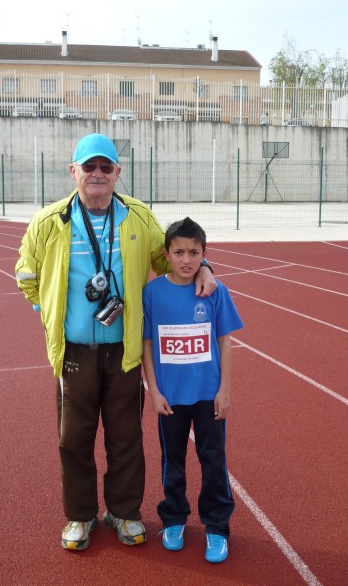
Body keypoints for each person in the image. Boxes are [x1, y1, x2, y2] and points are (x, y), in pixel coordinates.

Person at [15, 133, 217, 551]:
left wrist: (205, 268)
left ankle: (124, 513)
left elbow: (169, 259)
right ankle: (80, 516)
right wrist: (45, 308)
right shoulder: (48, 222)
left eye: (105, 166)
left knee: (125, 437)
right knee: (74, 439)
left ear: (117, 173)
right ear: (73, 171)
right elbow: (26, 274)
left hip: (124, 351)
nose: (97, 174)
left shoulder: (138, 218)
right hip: (73, 351)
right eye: (88, 166)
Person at [142, 217, 243, 563]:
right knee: (172, 459)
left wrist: (224, 390)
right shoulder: (152, 292)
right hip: (170, 397)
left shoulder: (215, 291)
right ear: (166, 255)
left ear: (204, 254)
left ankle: (217, 526)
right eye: (179, 252)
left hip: (208, 395)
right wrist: (153, 391)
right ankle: (174, 518)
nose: (186, 260)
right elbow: (147, 344)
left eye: (194, 253)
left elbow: (224, 342)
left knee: (213, 459)